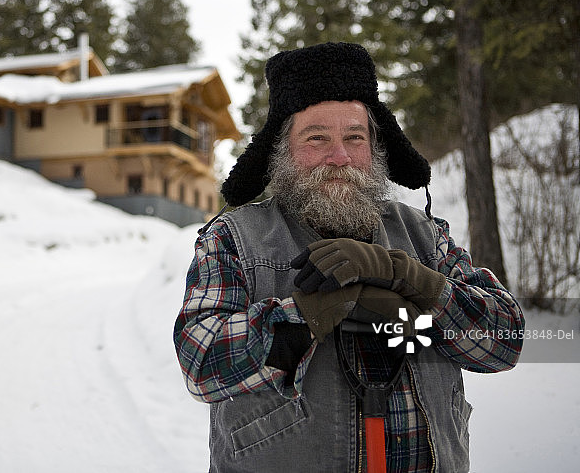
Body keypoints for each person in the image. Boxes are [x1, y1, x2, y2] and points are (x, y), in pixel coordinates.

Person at [173, 42, 525, 473]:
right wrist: (313, 312)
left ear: (375, 148)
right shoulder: (235, 240)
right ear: (282, 151)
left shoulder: (425, 237)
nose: (339, 158)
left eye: (354, 138)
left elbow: (504, 342)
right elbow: (200, 361)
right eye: (316, 137)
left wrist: (413, 279)